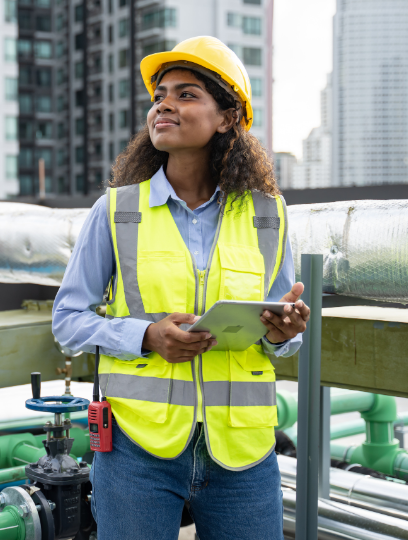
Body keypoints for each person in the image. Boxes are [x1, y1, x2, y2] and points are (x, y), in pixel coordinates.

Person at [52, 36, 310, 539]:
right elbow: (68, 320)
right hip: (137, 451)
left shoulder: (267, 215)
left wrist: (284, 331)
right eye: (160, 96)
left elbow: (283, 333)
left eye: (187, 94)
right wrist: (147, 337)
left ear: (228, 117)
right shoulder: (117, 210)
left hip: (243, 454)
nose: (165, 104)